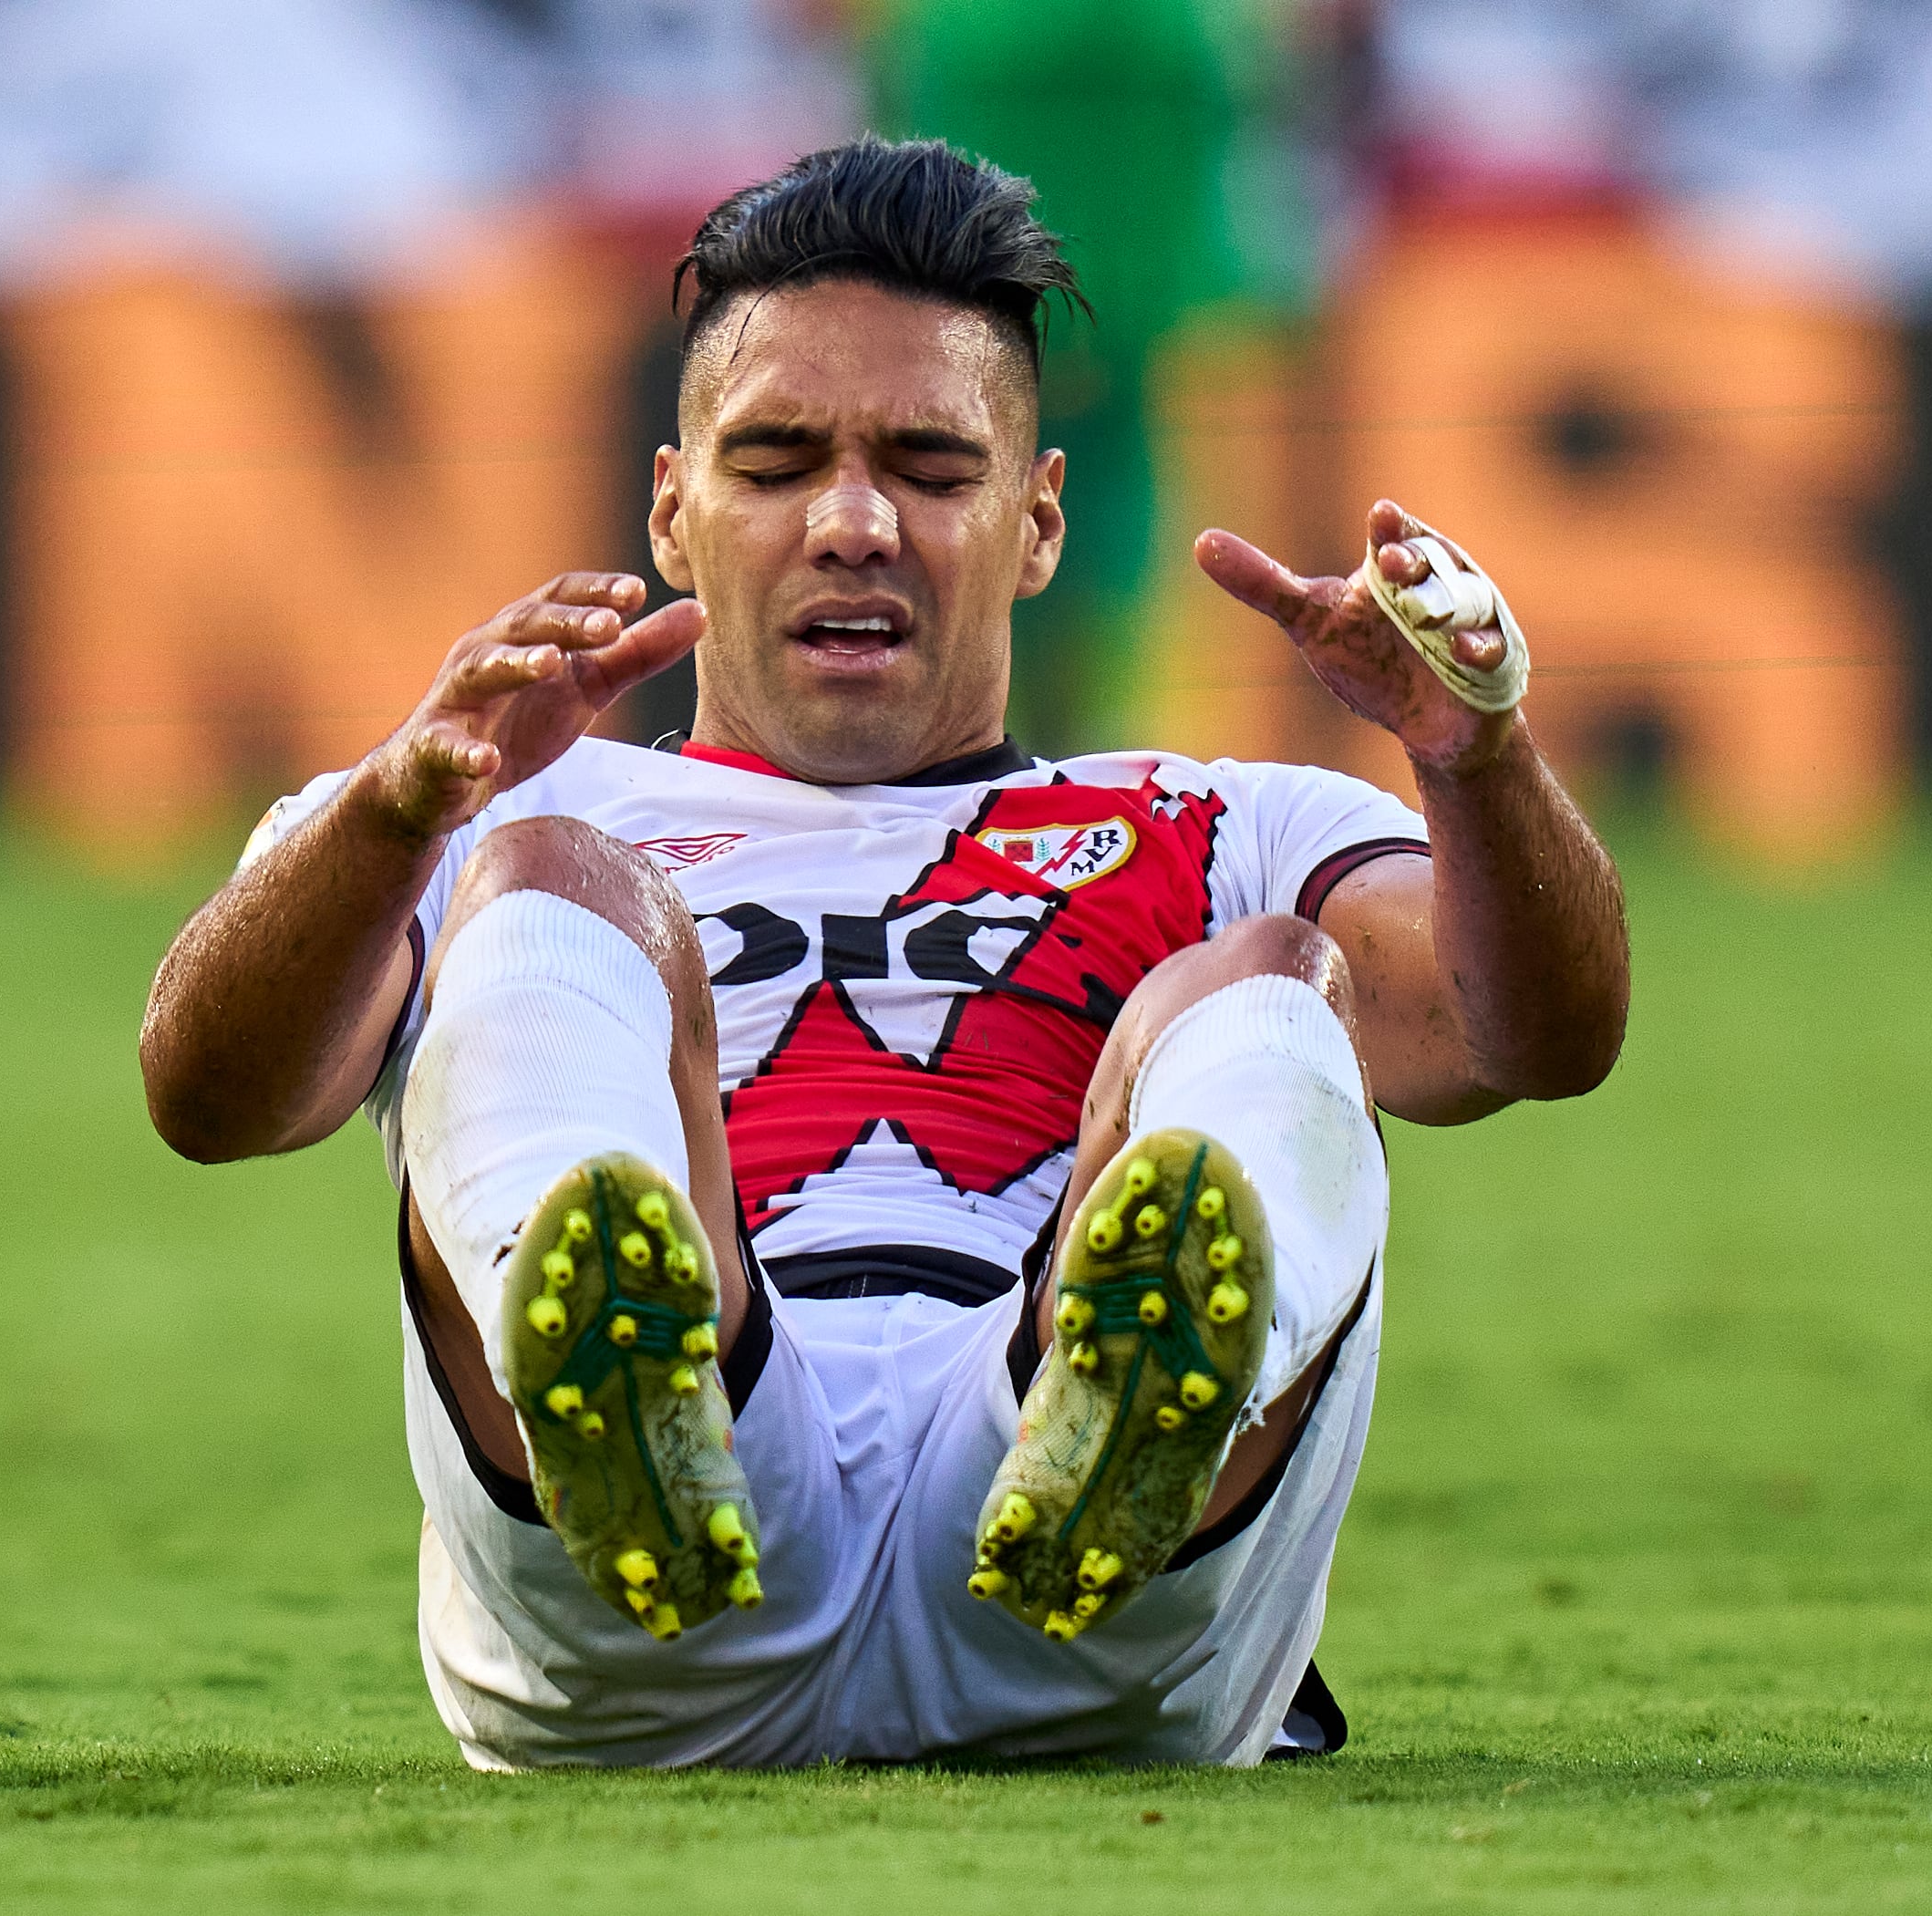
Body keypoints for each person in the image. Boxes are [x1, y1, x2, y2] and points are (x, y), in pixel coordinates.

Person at [139, 137, 1628, 1768]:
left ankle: (1119, 1417)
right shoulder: (485, 786)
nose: (853, 522)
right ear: (674, 511)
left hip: (1073, 1551)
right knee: (560, 879)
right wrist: (393, 812)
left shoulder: (1217, 818)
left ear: (1039, 518)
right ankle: (644, 1403)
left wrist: (1474, 760)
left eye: (929, 465)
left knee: (1263, 978)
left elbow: (1529, 1036)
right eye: (777, 464)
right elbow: (211, 1093)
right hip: (653, 1570)